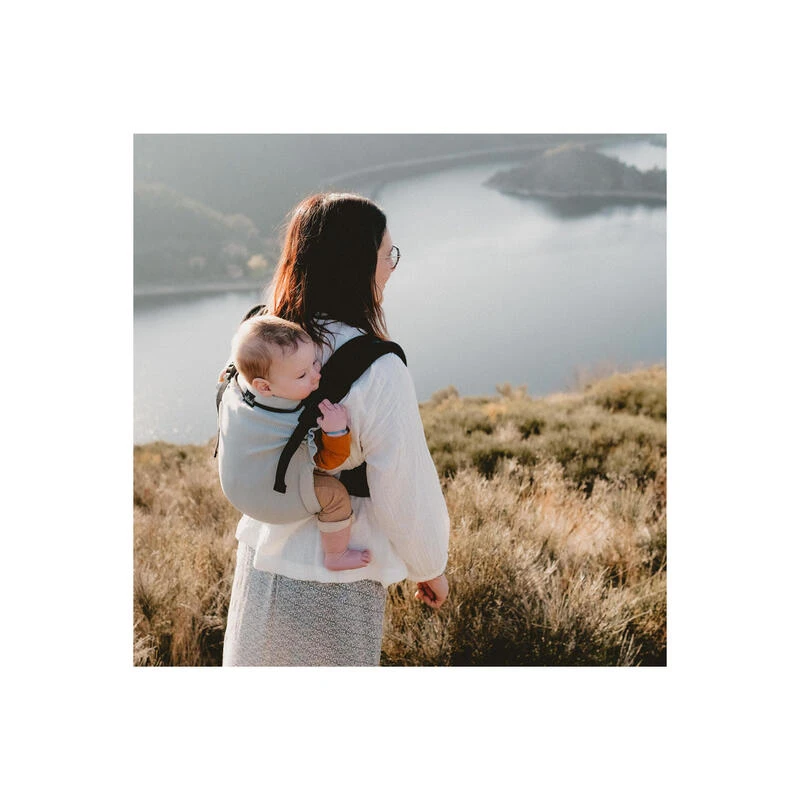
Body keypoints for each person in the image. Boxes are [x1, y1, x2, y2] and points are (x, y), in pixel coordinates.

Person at [222, 192, 450, 667]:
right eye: (387, 254)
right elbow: (402, 484)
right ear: (355, 266)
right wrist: (428, 565)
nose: (391, 267)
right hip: (337, 577)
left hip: (261, 558)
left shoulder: (261, 338)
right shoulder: (377, 366)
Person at [219, 313, 370, 571]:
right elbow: (328, 461)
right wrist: (336, 432)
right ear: (264, 387)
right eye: (302, 375)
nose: (316, 376)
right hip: (268, 501)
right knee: (335, 495)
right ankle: (336, 555)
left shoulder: (236, 383)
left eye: (315, 363)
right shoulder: (292, 420)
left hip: (234, 484)